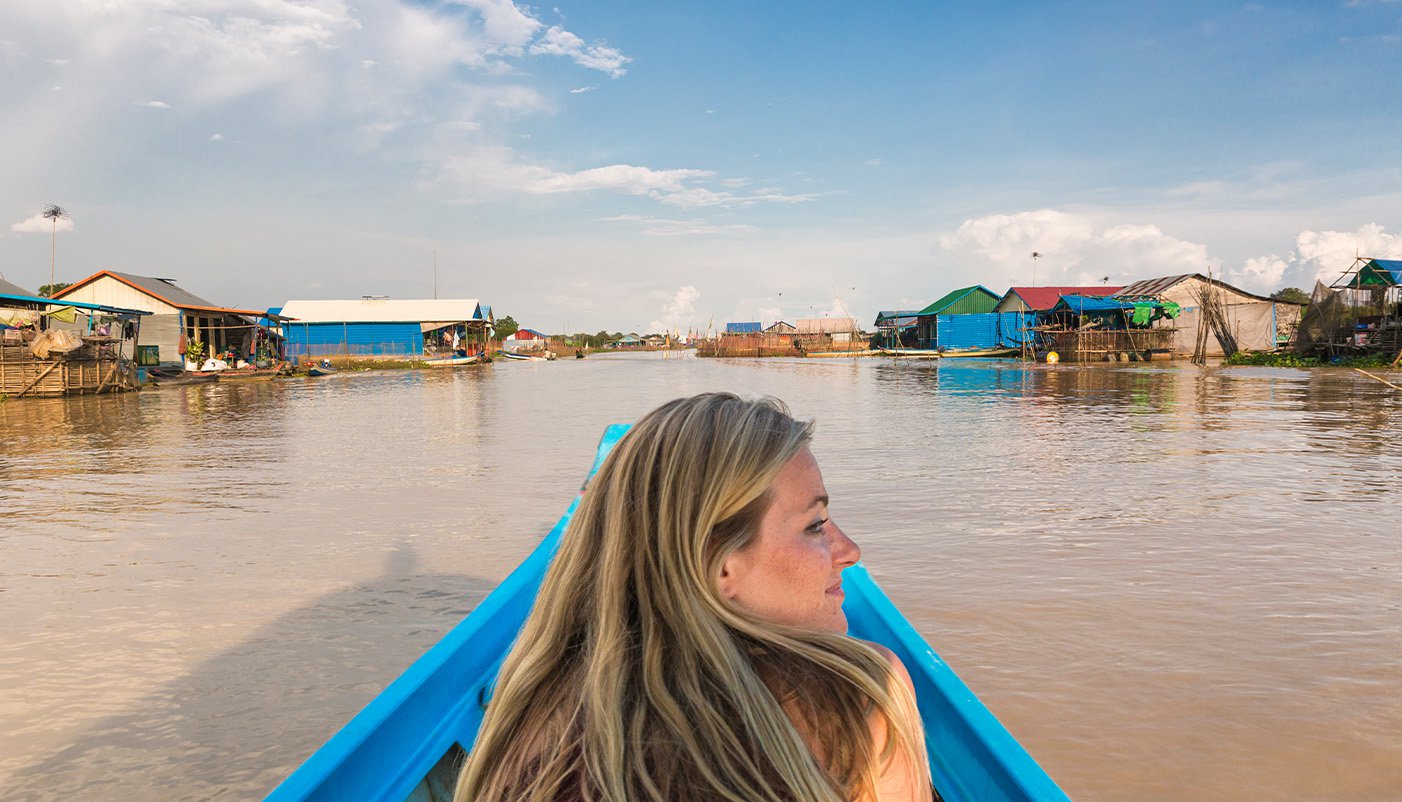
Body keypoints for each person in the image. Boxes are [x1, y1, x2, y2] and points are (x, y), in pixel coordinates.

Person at [456, 393, 931, 801]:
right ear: (717, 565)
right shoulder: (861, 694)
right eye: (815, 526)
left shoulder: (530, 710)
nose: (849, 551)